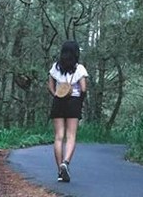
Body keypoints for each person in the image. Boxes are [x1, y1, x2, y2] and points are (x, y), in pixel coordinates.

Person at [47, 40, 88, 183]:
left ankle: (59, 170)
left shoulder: (55, 67)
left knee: (59, 136)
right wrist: (80, 100)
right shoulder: (79, 68)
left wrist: (57, 95)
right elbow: (83, 88)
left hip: (58, 101)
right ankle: (66, 162)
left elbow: (50, 85)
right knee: (71, 136)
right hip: (74, 102)